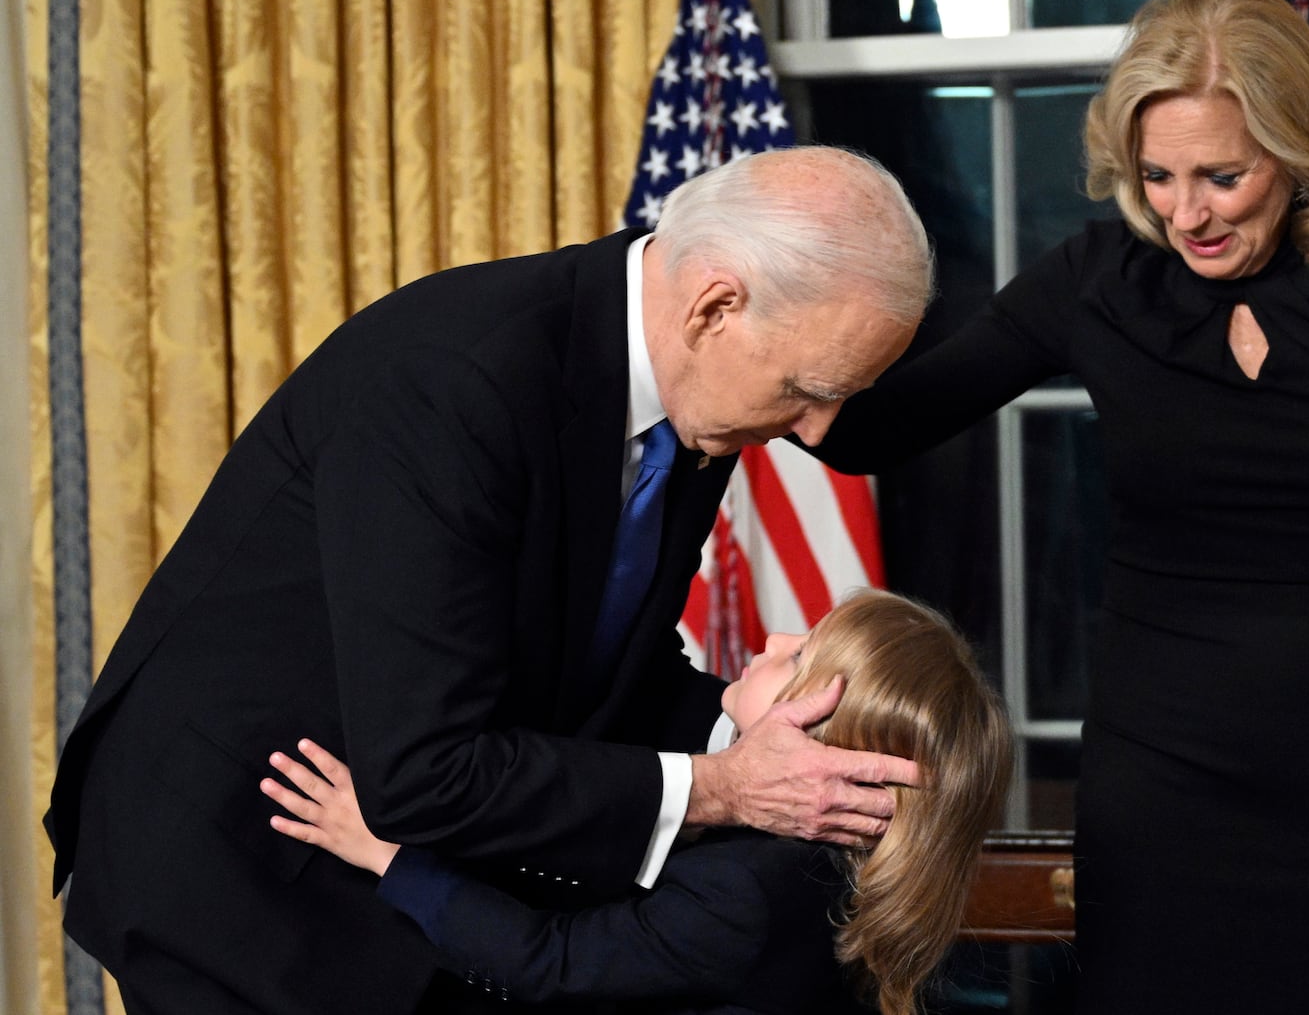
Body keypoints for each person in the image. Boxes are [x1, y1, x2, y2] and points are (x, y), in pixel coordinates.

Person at [44, 146, 933, 1014]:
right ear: (715, 309)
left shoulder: (700, 403)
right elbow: (425, 771)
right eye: (809, 389)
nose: (817, 432)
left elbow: (600, 652)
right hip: (241, 866)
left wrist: (757, 728)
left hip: (392, 854)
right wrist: (728, 784)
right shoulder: (456, 380)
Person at [814, 0, 1309, 1015]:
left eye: (1221, 177)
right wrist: (741, 337)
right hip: (1160, 790)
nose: (1183, 212)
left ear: (1291, 154)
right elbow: (880, 427)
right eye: (1156, 176)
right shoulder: (1097, 279)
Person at [259, 589, 1013, 1015]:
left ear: (826, 737)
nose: (777, 634)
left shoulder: (749, 889)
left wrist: (386, 852)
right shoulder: (814, 869)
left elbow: (548, 963)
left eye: (802, 655)